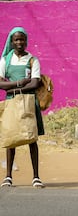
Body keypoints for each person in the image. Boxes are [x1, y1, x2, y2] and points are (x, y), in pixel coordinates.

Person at [0, 27, 45, 188]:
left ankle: (36, 177)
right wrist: (19, 83)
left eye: (22, 39)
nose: (19, 42)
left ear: (26, 41)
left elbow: (35, 82)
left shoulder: (33, 60)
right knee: (11, 138)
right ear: (12, 42)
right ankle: (8, 177)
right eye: (16, 40)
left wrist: (13, 89)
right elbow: (0, 83)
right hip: (12, 103)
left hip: (28, 102)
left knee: (31, 138)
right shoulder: (5, 59)